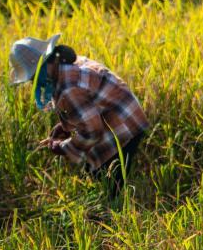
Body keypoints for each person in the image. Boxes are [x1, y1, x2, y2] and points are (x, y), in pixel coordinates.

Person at [10, 33, 149, 198]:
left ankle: (117, 212)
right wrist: (64, 127)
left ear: (43, 66)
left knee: (108, 179)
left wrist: (62, 147)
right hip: (124, 112)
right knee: (93, 171)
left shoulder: (69, 88)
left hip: (124, 124)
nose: (33, 82)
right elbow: (88, 105)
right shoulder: (66, 64)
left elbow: (92, 131)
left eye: (33, 77)